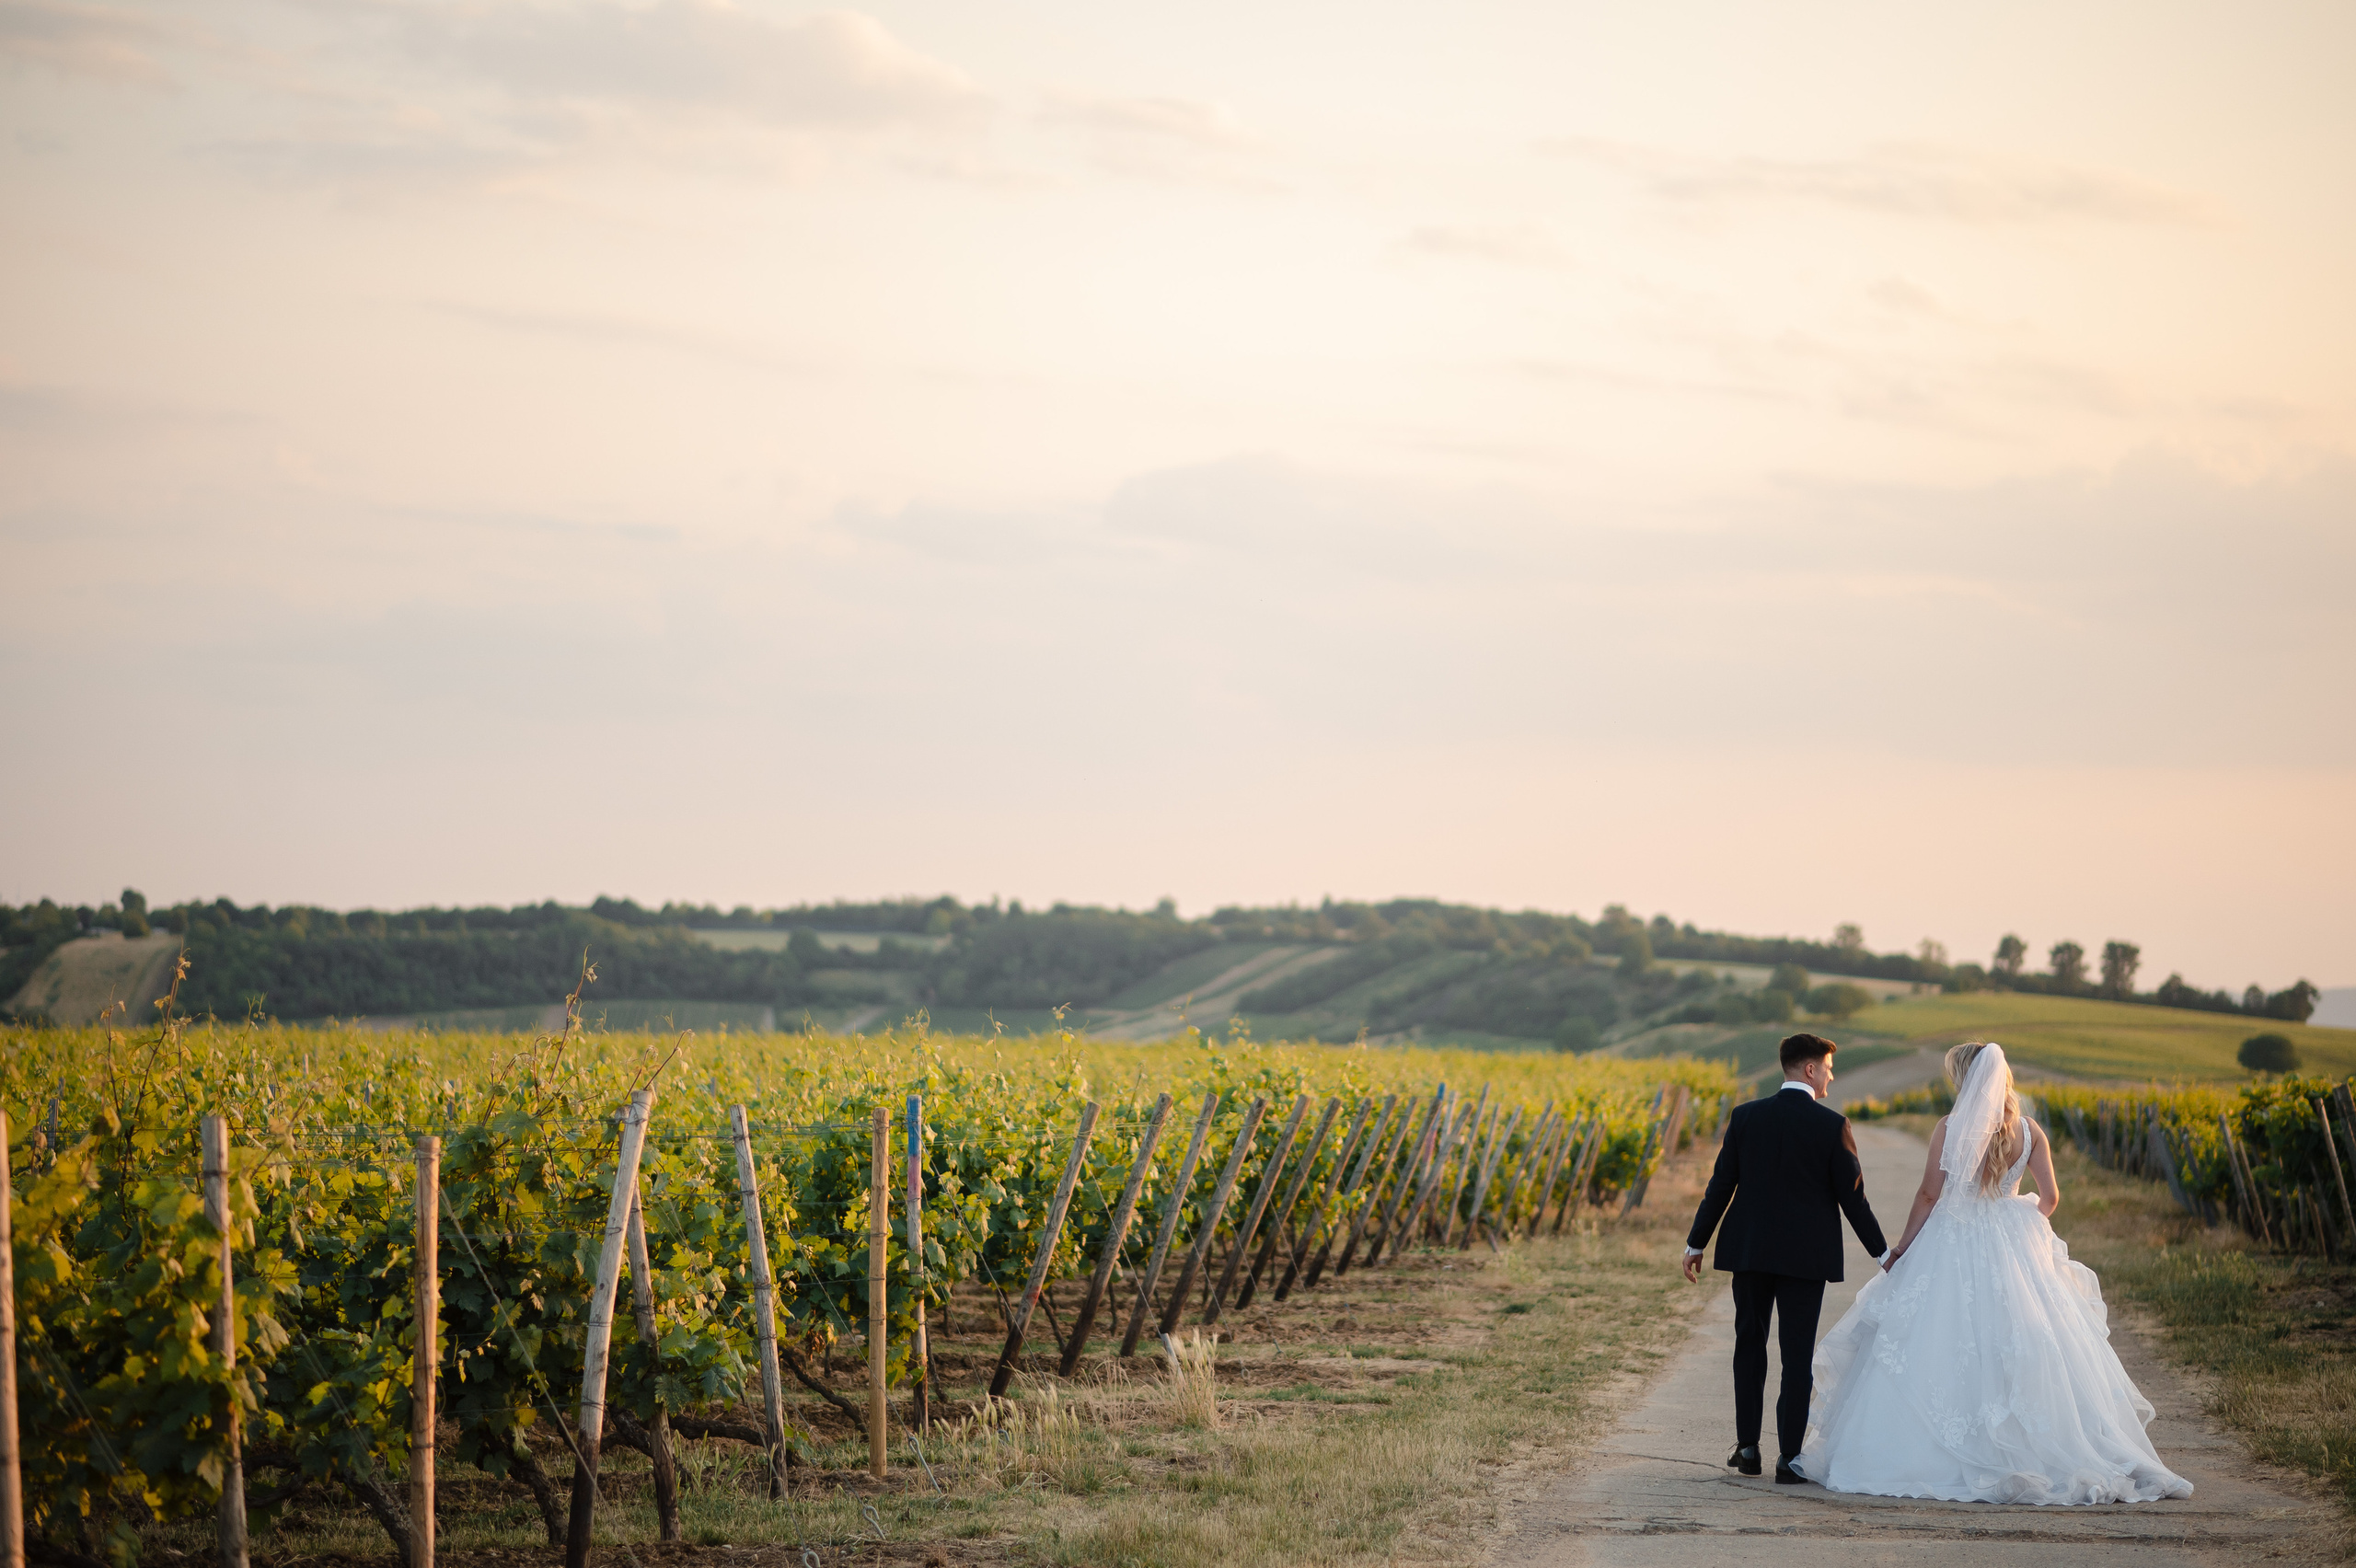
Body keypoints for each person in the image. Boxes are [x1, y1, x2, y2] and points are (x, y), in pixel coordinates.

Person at [1790, 1042, 2192, 1504]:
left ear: (1966, 1080)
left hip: (1951, 1238)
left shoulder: (1949, 1128)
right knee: (2021, 1338)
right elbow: (2050, 1199)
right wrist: (2021, 1225)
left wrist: (1902, 1246)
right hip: (2011, 1239)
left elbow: (1928, 1195)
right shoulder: (2030, 1130)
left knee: (1939, 1337)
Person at [1682, 1032, 1888, 1483]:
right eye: (1829, 1068)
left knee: (1749, 1347)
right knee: (1796, 1357)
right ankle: (1789, 1460)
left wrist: (1696, 1243)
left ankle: (1749, 1448)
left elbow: (1721, 1185)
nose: (1832, 1076)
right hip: (1805, 1260)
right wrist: (1884, 1253)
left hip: (1750, 1252)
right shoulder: (1831, 1126)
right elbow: (1853, 1199)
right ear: (1810, 1069)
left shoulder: (1745, 1117)